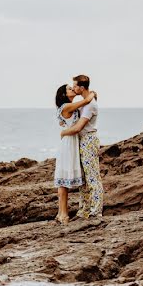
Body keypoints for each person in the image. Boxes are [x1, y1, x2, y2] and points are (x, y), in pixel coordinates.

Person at [60, 74, 104, 219]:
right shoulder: (85, 102)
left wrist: (64, 132)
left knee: (92, 176)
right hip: (81, 140)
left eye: (75, 86)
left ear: (82, 87)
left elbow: (78, 127)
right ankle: (84, 210)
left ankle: (96, 210)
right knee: (83, 178)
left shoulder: (90, 105)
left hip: (88, 140)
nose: (73, 88)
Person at [54, 83, 96, 224]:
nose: (73, 89)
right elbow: (85, 101)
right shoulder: (66, 106)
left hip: (70, 141)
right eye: (69, 89)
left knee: (63, 179)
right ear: (64, 94)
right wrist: (91, 94)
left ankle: (61, 213)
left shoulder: (69, 106)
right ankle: (64, 214)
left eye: (73, 87)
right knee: (63, 179)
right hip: (68, 142)